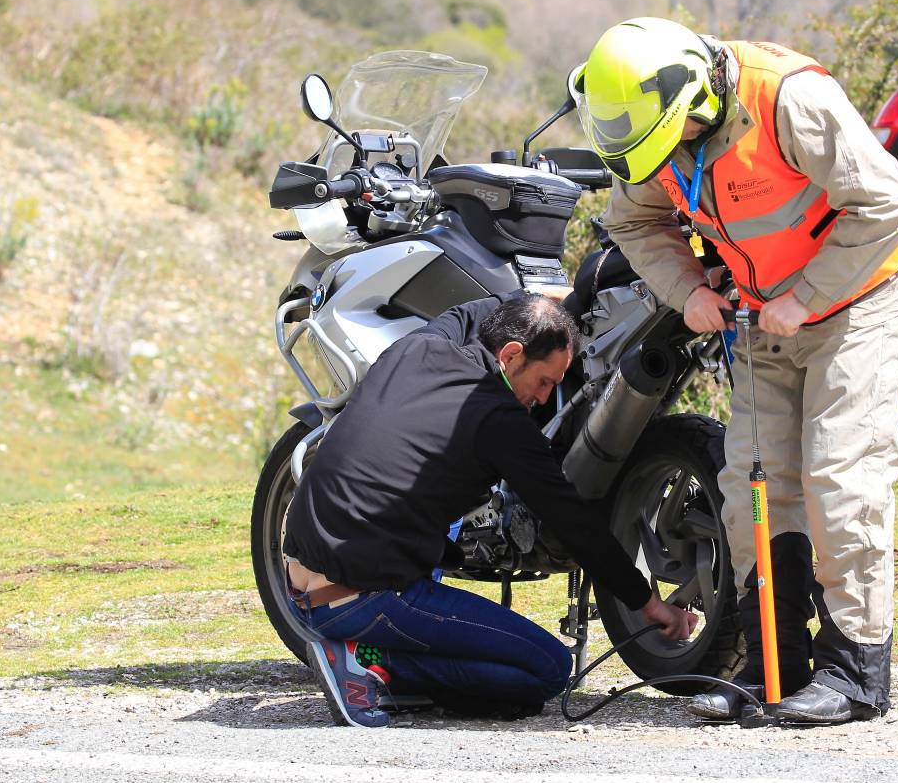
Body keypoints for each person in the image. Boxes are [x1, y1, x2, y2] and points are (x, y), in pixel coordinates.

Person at [571, 17, 898, 724]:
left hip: (859, 303)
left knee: (840, 479)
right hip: (763, 317)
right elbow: (636, 224)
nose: (660, 160)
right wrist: (691, 292)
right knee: (751, 489)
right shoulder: (658, 141)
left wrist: (806, 295)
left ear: (694, 101)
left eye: (664, 143)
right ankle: (772, 664)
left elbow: (887, 204)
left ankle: (855, 672)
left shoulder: (789, 99)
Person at [281, 293, 696, 727]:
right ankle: (370, 663)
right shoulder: (499, 422)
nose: (543, 396)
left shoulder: (419, 347)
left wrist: (550, 305)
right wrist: (648, 603)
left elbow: (466, 311)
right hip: (363, 598)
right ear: (511, 354)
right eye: (544, 381)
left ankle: (373, 661)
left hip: (298, 581)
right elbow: (574, 522)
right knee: (547, 669)